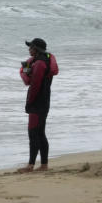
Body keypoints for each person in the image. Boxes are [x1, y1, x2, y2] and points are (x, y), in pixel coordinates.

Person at [18, 38, 58, 173]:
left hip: (37, 103)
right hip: (44, 100)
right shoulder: (43, 60)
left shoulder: (40, 63)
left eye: (31, 47)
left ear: (36, 49)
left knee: (33, 133)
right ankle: (44, 165)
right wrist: (26, 70)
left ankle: (30, 165)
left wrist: (29, 102)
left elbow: (34, 85)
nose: (29, 49)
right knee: (40, 133)